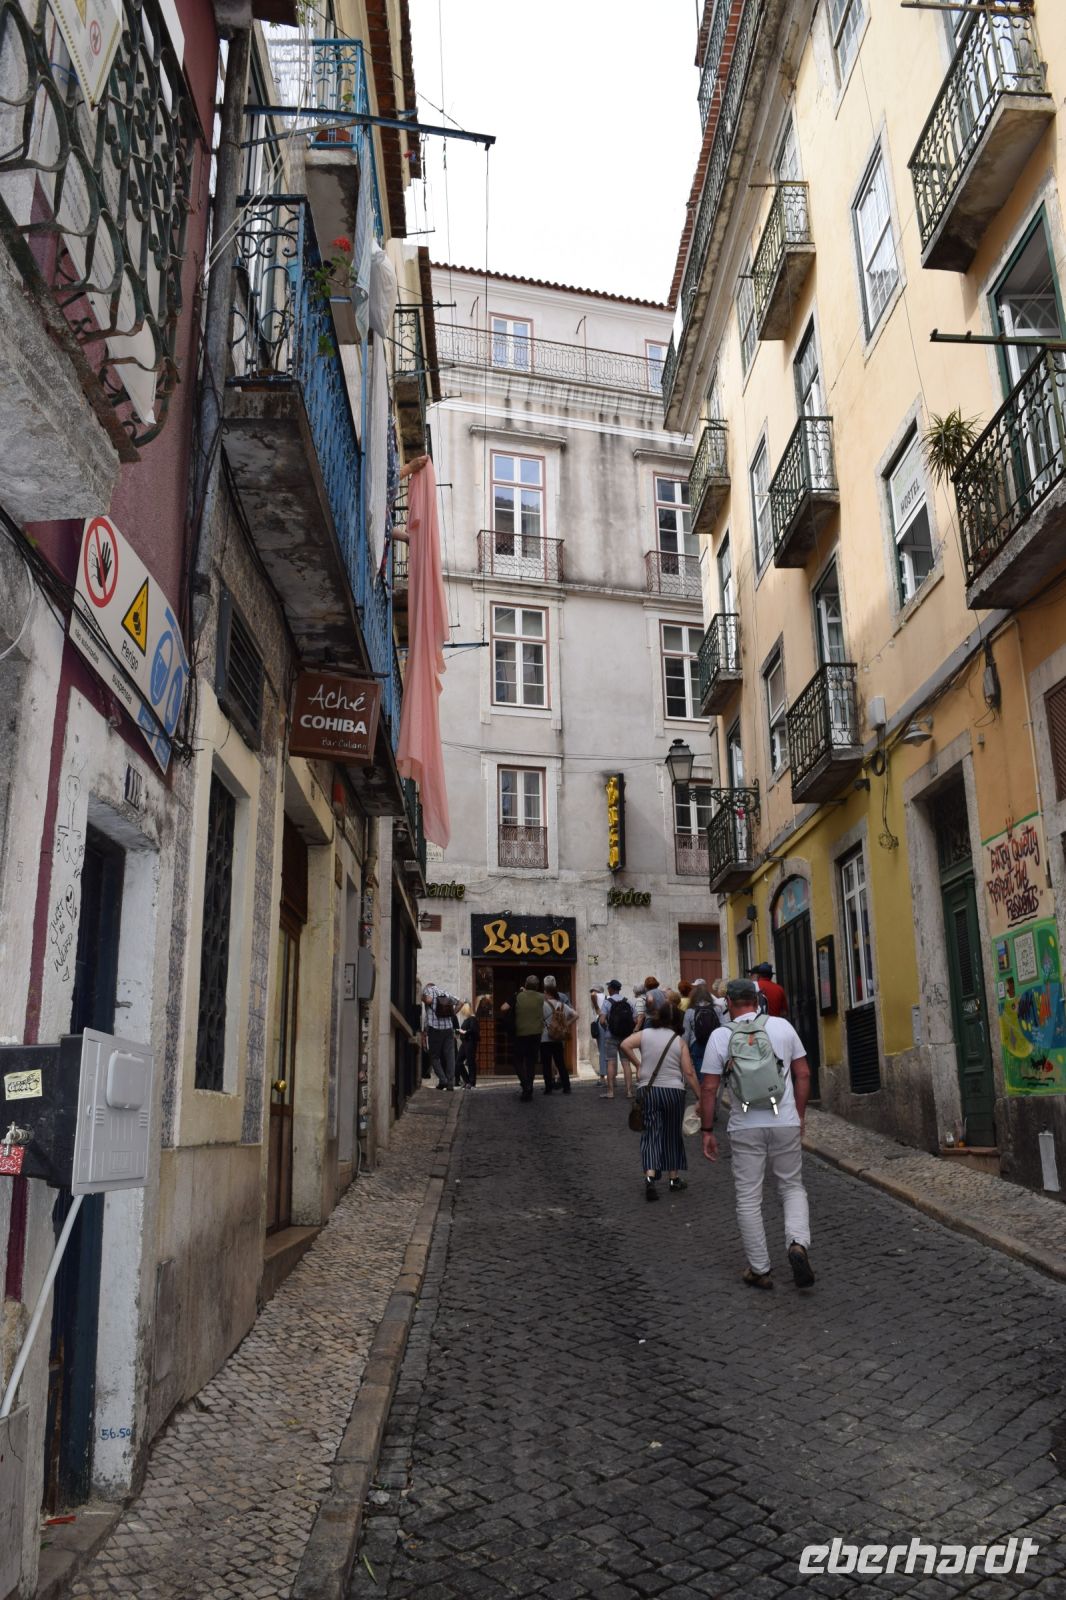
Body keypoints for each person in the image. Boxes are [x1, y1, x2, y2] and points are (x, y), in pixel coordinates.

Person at [700, 977, 815, 1291]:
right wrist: (799, 1114)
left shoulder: (720, 1036)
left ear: (728, 1004)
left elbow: (709, 1088)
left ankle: (760, 1268)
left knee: (749, 1198)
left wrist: (707, 1129)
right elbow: (803, 1073)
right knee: (792, 1187)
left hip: (745, 1124)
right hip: (785, 1119)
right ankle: (797, 1244)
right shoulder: (782, 1027)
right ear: (757, 999)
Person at [619, 989, 701, 1201]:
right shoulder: (679, 1041)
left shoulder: (645, 1035)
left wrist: (638, 1064)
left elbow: (624, 1044)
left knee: (651, 1133)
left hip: (648, 1090)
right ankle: (673, 1179)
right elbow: (689, 1072)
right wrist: (701, 1097)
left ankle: (650, 1177)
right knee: (672, 1134)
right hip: (674, 1091)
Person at [540, 976, 577, 1095]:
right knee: (561, 1063)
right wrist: (566, 1024)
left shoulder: (542, 1005)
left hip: (545, 1038)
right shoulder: (561, 1004)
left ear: (546, 992)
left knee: (546, 1064)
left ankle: (548, 1088)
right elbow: (576, 1015)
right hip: (557, 1038)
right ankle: (567, 1087)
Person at [599, 980, 635, 1099]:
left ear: (611, 989)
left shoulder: (607, 1002)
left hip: (611, 1036)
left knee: (611, 1062)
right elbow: (634, 1019)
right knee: (626, 1063)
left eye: (608, 987)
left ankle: (610, 1092)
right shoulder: (627, 1001)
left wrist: (608, 1029)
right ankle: (629, 1092)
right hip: (625, 1037)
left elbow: (602, 1021)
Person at [511, 974, 545, 1102]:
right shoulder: (541, 997)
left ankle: (525, 1085)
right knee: (531, 1062)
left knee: (517, 1060)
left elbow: (505, 1008)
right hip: (536, 1034)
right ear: (537, 986)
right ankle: (529, 1087)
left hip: (521, 1033)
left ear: (525, 984)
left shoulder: (518, 996)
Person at [421, 982, 460, 1091]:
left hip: (435, 1029)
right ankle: (451, 1083)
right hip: (448, 1029)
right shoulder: (444, 992)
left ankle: (443, 1080)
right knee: (450, 1057)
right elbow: (460, 1002)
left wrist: (421, 996)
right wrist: (452, 1014)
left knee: (434, 1056)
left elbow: (428, 1000)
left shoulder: (428, 990)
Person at [683, 979, 717, 1073]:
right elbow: (723, 1025)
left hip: (696, 1044)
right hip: (713, 1042)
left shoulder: (690, 1012)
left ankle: (702, 1086)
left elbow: (686, 1033)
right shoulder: (716, 1009)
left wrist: (685, 1050)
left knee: (700, 1072)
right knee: (713, 1072)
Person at [456, 1002, 480, 1088]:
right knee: (458, 1061)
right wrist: (458, 1031)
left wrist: (464, 1032)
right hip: (465, 1043)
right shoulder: (467, 1019)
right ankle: (467, 1080)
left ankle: (472, 1082)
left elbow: (474, 1030)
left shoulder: (472, 1018)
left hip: (470, 1042)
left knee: (470, 1062)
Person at [590, 985, 606, 1080]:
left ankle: (602, 1077)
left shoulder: (596, 996)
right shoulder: (607, 997)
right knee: (610, 1052)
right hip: (608, 1024)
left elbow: (592, 994)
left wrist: (596, 1007)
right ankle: (613, 1078)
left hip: (600, 1023)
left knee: (602, 1051)